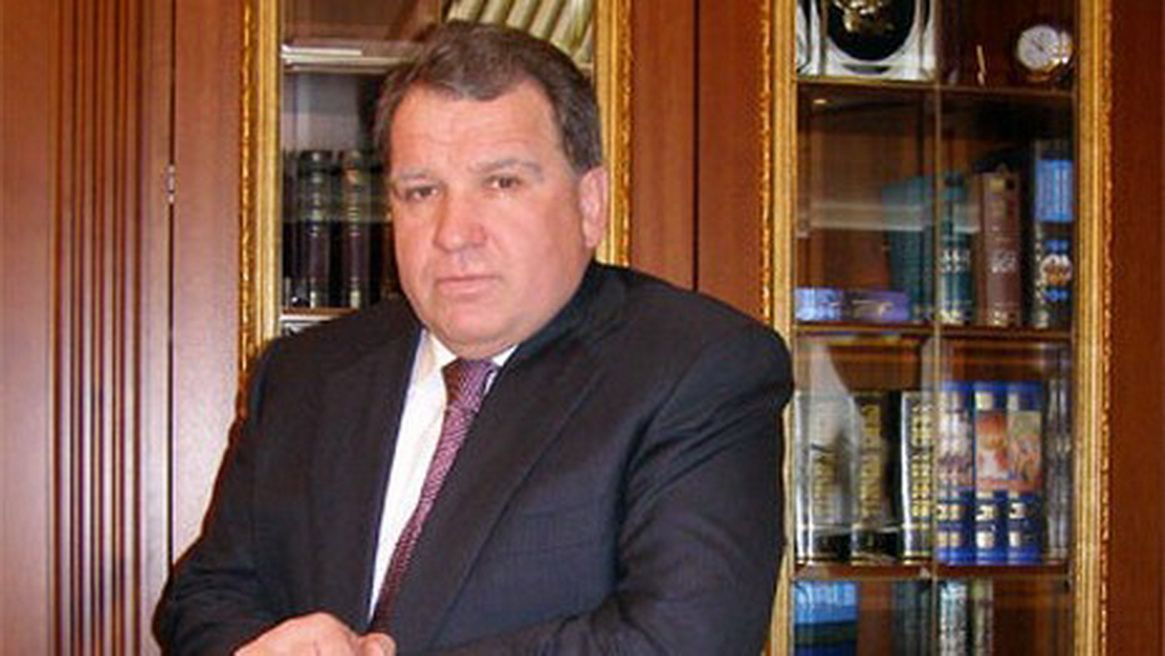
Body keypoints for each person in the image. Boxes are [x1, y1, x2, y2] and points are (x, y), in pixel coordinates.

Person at [155, 20, 792, 655]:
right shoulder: (304, 373)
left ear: (589, 203)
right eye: (421, 191)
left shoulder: (696, 368)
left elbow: (681, 638)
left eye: (501, 183)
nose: (454, 232)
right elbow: (205, 596)